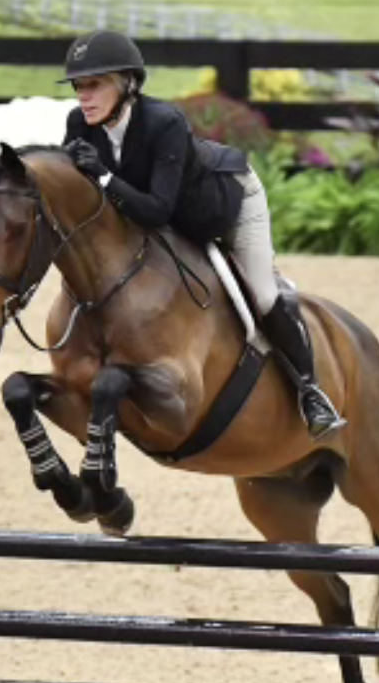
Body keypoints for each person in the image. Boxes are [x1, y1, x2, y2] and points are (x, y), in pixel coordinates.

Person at [58, 30, 347, 441]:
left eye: (95, 85)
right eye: (78, 86)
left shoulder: (164, 122)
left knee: (263, 295)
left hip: (226, 206)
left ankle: (311, 392)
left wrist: (102, 176)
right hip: (163, 217)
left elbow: (158, 210)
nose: (84, 96)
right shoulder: (78, 124)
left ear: (128, 84)